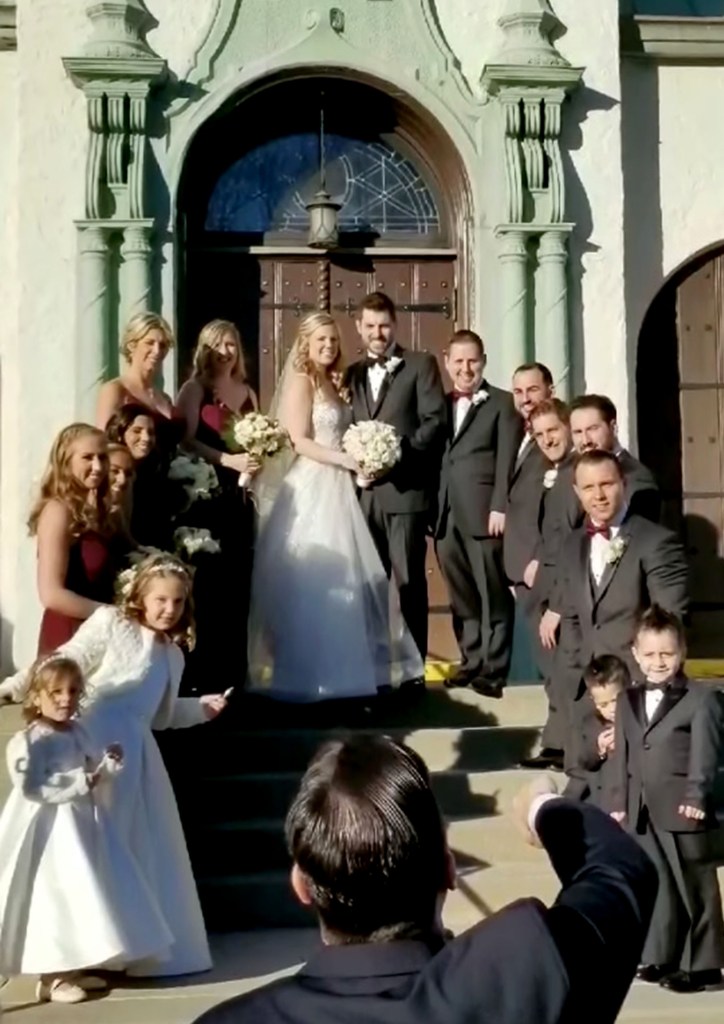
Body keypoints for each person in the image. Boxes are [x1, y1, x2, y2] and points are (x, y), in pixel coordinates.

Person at [191, 735, 657, 1024]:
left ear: (300, 884)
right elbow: (621, 870)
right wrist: (543, 808)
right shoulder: (527, 969)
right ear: (449, 869)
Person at [0, 553, 229, 977]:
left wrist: (200, 708)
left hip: (135, 758)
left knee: (128, 848)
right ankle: (66, 956)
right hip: (88, 741)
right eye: (160, 599)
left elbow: (160, 716)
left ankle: (120, 948)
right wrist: (17, 686)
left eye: (177, 602)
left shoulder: (172, 656)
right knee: (79, 848)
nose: (168, 609)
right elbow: (65, 660)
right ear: (140, 596)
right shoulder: (110, 624)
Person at [247, 313, 424, 702]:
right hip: (312, 484)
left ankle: (345, 677)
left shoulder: (336, 380)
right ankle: (307, 678)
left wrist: (363, 457)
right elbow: (298, 440)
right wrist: (345, 460)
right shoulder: (301, 380)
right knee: (318, 582)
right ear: (305, 343)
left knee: (354, 585)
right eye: (321, 340)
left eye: (333, 340)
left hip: (342, 487)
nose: (329, 346)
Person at [0, 655, 172, 1004]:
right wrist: (81, 781)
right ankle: (53, 974)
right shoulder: (29, 742)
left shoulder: (79, 731)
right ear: (36, 697)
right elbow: (32, 785)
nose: (66, 698)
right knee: (56, 895)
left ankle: (71, 967)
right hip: (48, 830)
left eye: (73, 691)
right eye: (55, 692)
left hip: (83, 823)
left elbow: (93, 767)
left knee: (86, 893)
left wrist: (107, 764)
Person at [607, 606, 724, 994]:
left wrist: (697, 794)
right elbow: (622, 756)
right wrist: (618, 799)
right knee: (660, 886)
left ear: (682, 652)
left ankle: (704, 965)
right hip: (643, 808)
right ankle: (664, 956)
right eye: (651, 654)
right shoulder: (627, 700)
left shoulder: (701, 699)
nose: (659, 662)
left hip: (683, 806)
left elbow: (706, 754)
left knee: (694, 885)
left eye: (667, 654)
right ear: (636, 654)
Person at [346, 292, 447, 671]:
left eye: (384, 325)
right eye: (370, 326)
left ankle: (413, 668)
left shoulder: (420, 364)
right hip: (363, 494)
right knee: (368, 585)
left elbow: (434, 422)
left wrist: (394, 454)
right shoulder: (352, 373)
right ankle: (371, 665)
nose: (378, 333)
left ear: (395, 325)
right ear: (359, 327)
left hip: (406, 493)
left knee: (407, 583)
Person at [555, 450, 688, 693]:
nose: (598, 495)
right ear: (577, 492)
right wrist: (574, 675)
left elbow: (670, 620)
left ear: (623, 484)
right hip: (586, 690)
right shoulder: (571, 545)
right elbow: (571, 616)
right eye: (588, 488)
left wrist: (651, 685)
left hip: (638, 687)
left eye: (606, 484)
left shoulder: (655, 542)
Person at [436, 330, 522, 698]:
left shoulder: (502, 403)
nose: (465, 368)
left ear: (483, 361)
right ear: (447, 362)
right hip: (445, 513)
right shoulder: (438, 403)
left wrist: (499, 505)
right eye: (459, 361)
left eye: (472, 360)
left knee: (492, 592)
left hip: (485, 512)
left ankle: (494, 667)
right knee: (461, 594)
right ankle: (471, 661)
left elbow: (506, 460)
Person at [176, 320, 260, 683]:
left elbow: (258, 440)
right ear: (205, 350)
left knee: (239, 583)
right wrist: (227, 460)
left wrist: (257, 460)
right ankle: (203, 671)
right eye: (218, 344)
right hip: (207, 495)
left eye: (231, 344)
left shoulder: (247, 392)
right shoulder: (196, 389)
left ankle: (234, 674)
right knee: (209, 584)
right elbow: (186, 440)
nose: (226, 351)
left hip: (241, 497)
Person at [520, 399, 579, 767]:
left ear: (568, 427)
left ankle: (565, 747)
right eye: (539, 434)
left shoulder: (577, 473)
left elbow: (574, 541)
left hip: (564, 587)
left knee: (565, 670)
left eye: (553, 431)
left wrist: (557, 606)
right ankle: (555, 743)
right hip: (543, 582)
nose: (547, 440)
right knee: (552, 672)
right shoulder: (549, 470)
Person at [29, 423, 119, 655]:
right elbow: (51, 594)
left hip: (100, 635)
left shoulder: (101, 513)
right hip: (70, 635)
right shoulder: (57, 511)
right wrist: (114, 616)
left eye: (103, 457)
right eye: (87, 458)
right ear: (65, 461)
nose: (98, 467)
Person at [503, 363, 553, 612]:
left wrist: (541, 560)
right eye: (518, 392)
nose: (525, 399)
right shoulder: (513, 431)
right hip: (515, 566)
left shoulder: (556, 439)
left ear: (550, 391)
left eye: (532, 390)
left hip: (540, 567)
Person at [95, 313, 181, 458]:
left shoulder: (164, 398)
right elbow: (104, 442)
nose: (157, 351)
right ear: (132, 345)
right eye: (149, 343)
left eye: (163, 345)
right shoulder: (115, 390)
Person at [569, 394, 660, 522]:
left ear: (613, 428)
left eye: (592, 429)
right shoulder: (569, 472)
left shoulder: (636, 477)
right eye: (578, 432)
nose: (585, 441)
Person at [563, 654, 629, 804]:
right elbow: (584, 761)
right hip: (603, 797)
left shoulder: (637, 719)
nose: (611, 709)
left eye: (615, 701)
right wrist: (599, 749)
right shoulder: (590, 724)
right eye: (603, 705)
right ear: (593, 701)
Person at [105, 403, 171, 549]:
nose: (146, 438)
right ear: (120, 433)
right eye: (137, 431)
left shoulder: (153, 473)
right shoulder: (107, 470)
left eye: (151, 432)